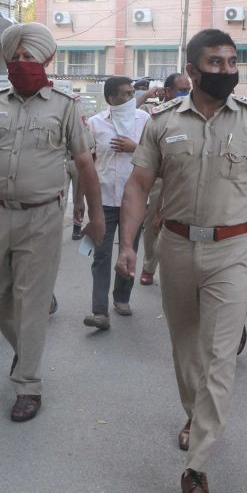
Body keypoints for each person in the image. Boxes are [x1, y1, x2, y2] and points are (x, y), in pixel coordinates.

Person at [116, 29, 247, 493]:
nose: (227, 70)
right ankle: (195, 415)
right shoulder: (162, 123)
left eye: (232, 61)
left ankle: (196, 467)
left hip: (232, 251)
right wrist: (127, 245)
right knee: (186, 348)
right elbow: (138, 185)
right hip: (174, 247)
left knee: (219, 356)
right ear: (192, 70)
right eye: (216, 62)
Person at [0, 22, 105, 422]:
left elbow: (84, 163)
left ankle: (28, 385)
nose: (21, 62)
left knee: (31, 301)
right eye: (16, 56)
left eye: (29, 56)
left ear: (46, 59)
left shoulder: (65, 105)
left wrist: (94, 216)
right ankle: (25, 351)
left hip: (43, 216)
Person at [83, 76, 149, 330]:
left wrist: (135, 148)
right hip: (105, 199)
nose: (131, 98)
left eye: (133, 93)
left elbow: (158, 157)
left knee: (129, 250)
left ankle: (122, 297)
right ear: (111, 98)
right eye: (126, 94)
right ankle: (99, 310)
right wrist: (82, 201)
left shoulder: (145, 120)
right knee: (101, 254)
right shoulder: (95, 123)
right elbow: (86, 164)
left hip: (135, 201)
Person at [140, 72, 191, 286]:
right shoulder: (153, 115)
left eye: (188, 90)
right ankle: (149, 266)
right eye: (182, 90)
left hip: (184, 179)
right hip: (159, 179)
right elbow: (129, 111)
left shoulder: (193, 114)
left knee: (182, 226)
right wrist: (148, 94)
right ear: (168, 91)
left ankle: (176, 271)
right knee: (153, 225)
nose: (186, 94)